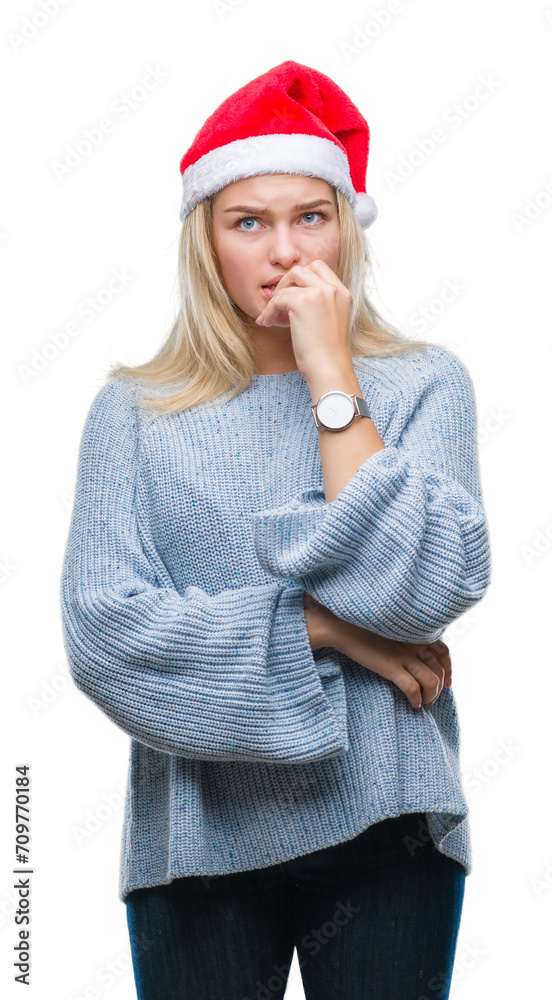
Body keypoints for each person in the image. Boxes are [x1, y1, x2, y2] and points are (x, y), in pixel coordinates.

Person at [59, 60, 492, 1000]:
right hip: (197, 835)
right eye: (247, 221)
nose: (285, 251)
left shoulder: (424, 385)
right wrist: (327, 629)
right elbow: (106, 637)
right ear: (206, 242)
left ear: (347, 229)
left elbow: (421, 591)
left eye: (312, 217)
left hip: (388, 819)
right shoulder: (135, 411)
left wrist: (334, 376)